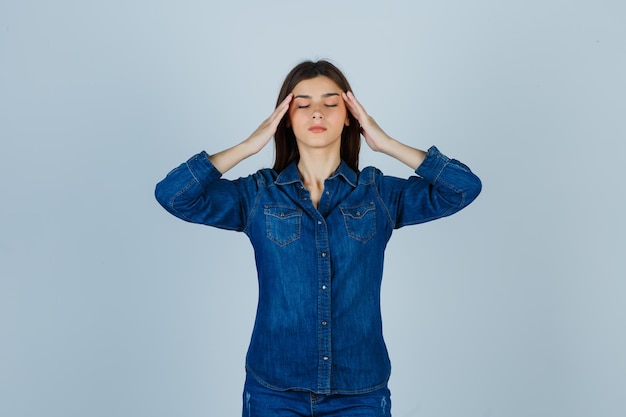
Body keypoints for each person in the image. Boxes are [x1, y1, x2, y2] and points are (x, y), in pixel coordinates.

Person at [155, 60, 482, 417]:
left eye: (331, 103)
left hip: (360, 392)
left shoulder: (377, 194)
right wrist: (249, 146)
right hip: (274, 391)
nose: (317, 113)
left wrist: (385, 143)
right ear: (285, 117)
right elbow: (174, 195)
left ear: (349, 116)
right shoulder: (258, 195)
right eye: (303, 104)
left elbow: (463, 188)